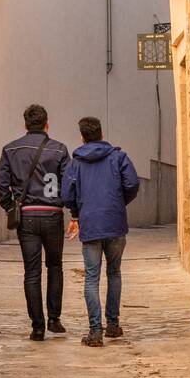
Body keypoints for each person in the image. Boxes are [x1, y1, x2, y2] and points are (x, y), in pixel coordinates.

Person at [61, 116, 140, 347]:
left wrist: (76, 212)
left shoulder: (76, 163)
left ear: (82, 137)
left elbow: (67, 194)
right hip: (115, 224)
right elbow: (132, 184)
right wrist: (118, 202)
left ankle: (95, 331)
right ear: (102, 134)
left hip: (91, 225)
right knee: (114, 273)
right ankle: (113, 325)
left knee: (92, 278)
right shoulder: (118, 157)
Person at [0, 104, 69, 341]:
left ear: (25, 125)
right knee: (55, 266)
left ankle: (37, 326)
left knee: (32, 271)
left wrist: (10, 206)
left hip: (26, 216)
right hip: (53, 215)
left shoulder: (11, 149)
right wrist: (67, 205)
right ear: (47, 124)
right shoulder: (59, 150)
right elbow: (69, 183)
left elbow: (1, 183)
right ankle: (54, 319)